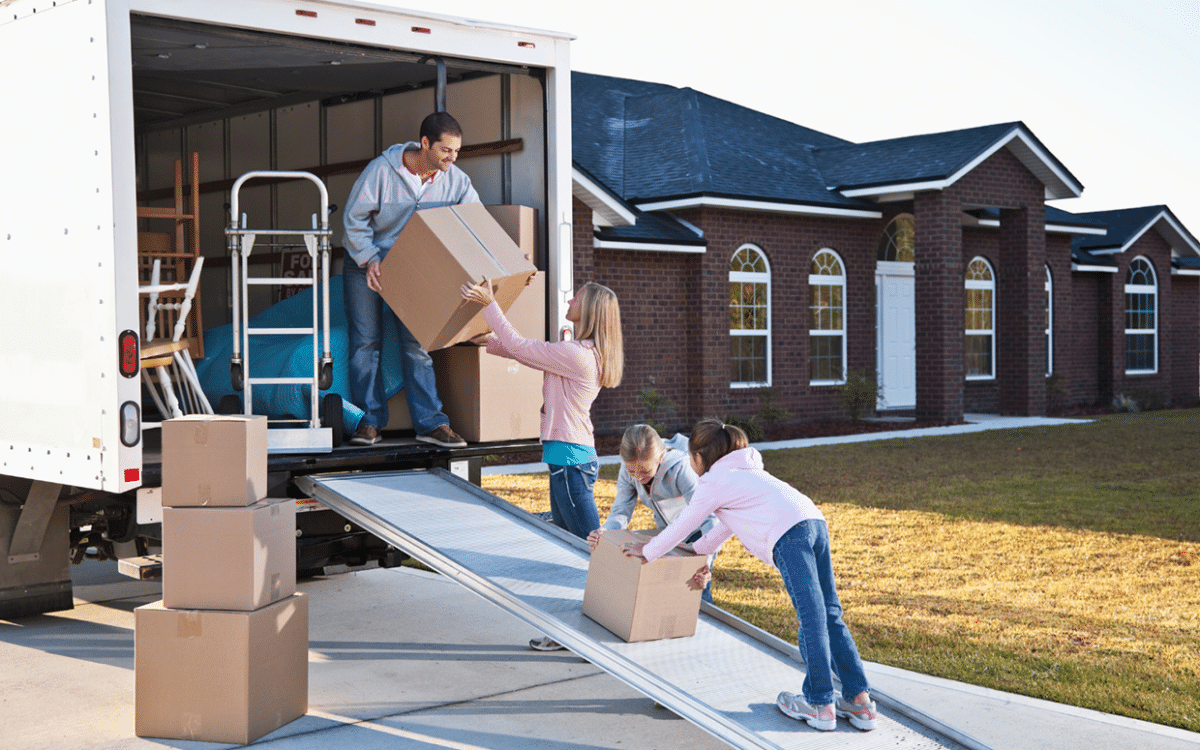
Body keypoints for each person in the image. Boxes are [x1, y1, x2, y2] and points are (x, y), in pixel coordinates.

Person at [620, 419, 879, 733]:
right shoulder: (747, 473)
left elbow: (683, 524)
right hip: (813, 521)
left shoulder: (714, 482)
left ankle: (819, 703)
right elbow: (727, 526)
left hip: (790, 534)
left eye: (690, 456)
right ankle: (859, 701)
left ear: (699, 458)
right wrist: (697, 551)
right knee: (830, 614)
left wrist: (647, 551)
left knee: (812, 618)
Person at [460, 278, 623, 652]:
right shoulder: (578, 351)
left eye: (576, 297)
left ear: (591, 310)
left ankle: (601, 636)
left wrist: (490, 304)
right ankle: (570, 633)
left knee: (589, 553)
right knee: (568, 550)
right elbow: (525, 353)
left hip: (570, 460)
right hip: (567, 459)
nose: (570, 299)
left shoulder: (578, 355)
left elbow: (523, 345)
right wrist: (487, 343)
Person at [341, 111, 477, 448]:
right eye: (446, 151)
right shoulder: (381, 171)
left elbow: (474, 224)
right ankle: (368, 422)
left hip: (413, 270)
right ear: (426, 144)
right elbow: (353, 218)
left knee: (417, 346)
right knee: (366, 343)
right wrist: (369, 258)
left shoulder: (456, 181)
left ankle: (431, 424)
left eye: (457, 152)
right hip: (366, 263)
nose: (453, 158)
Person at [587, 424, 718, 603]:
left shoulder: (681, 470)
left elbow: (709, 519)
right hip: (666, 534)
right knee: (670, 593)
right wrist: (606, 531)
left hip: (697, 536)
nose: (638, 477)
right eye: (632, 471)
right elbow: (621, 511)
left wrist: (707, 563)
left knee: (696, 594)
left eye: (645, 471)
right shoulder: (628, 471)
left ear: (660, 458)